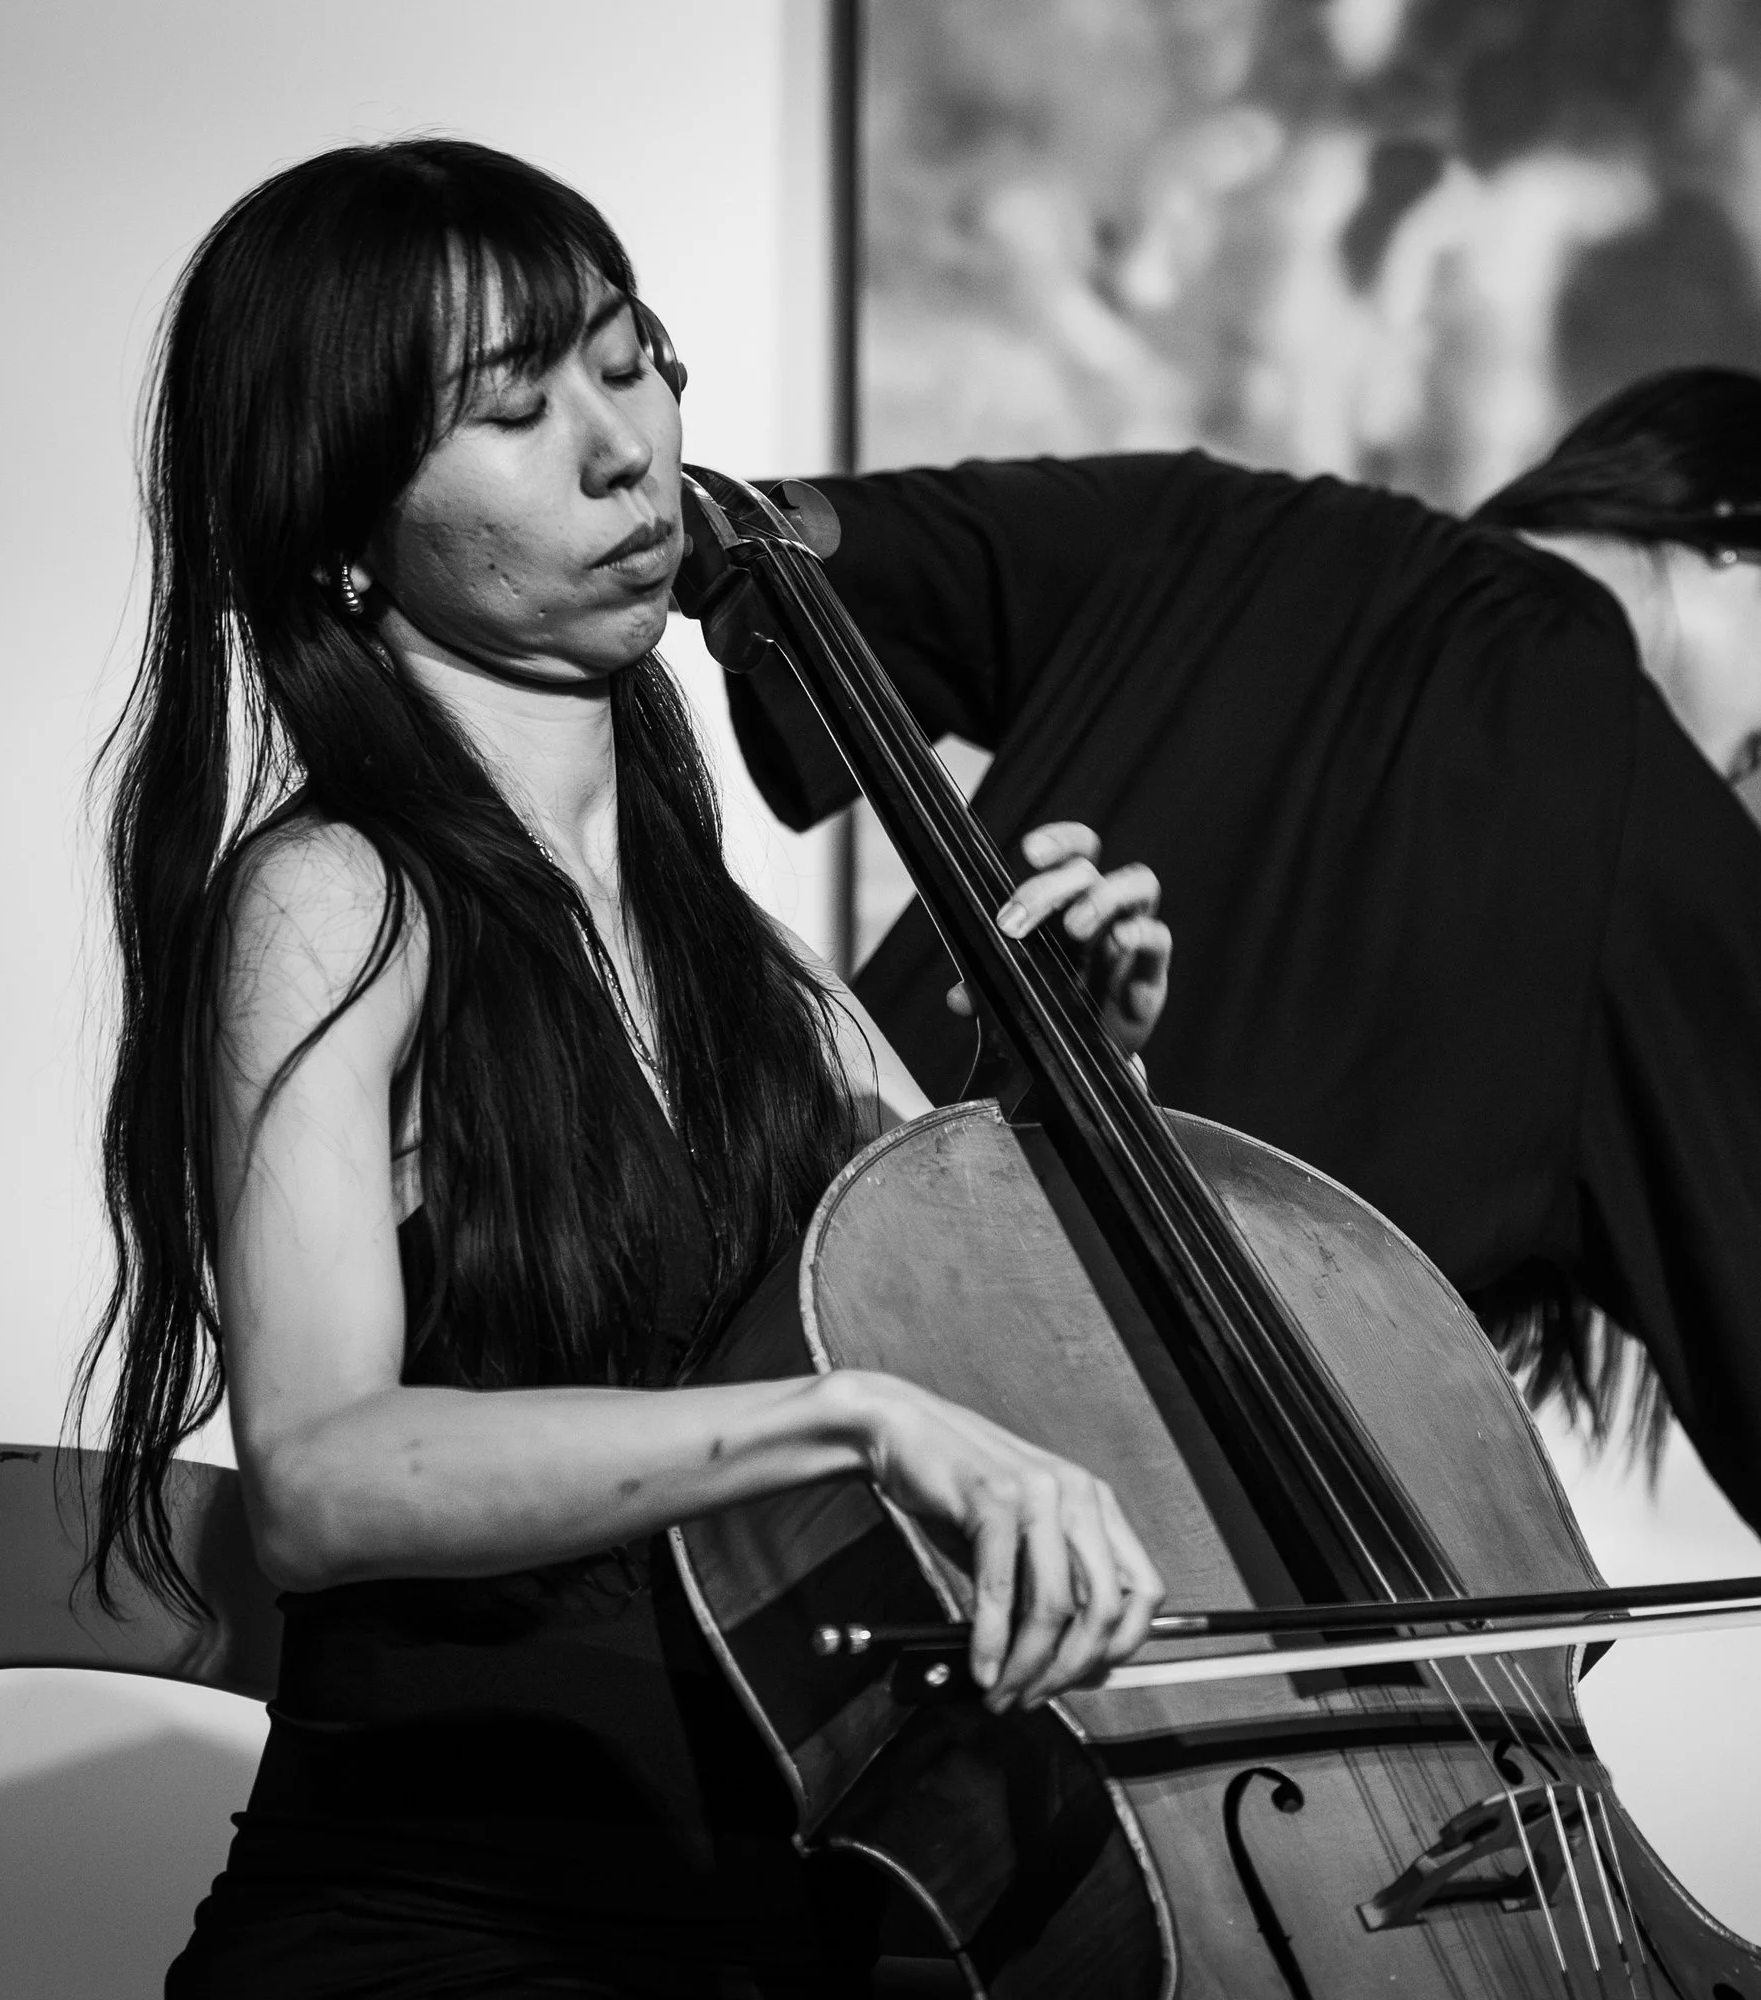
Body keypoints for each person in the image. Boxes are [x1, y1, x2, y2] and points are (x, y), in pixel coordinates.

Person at [723, 369, 1761, 1940]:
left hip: (801, 1387)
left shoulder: (1223, 525)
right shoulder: (1650, 824)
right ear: (1732, 543)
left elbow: (795, 548)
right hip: (1148, 1642)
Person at [74, 138, 1177, 1998]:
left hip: (794, 1916)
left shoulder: (741, 957)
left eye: (629, 356)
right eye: (513, 407)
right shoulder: (334, 902)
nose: (623, 443)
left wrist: (1085, 1079)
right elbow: (325, 1479)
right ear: (341, 526)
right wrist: (841, 1421)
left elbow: (1004, 1345)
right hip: (462, 1938)